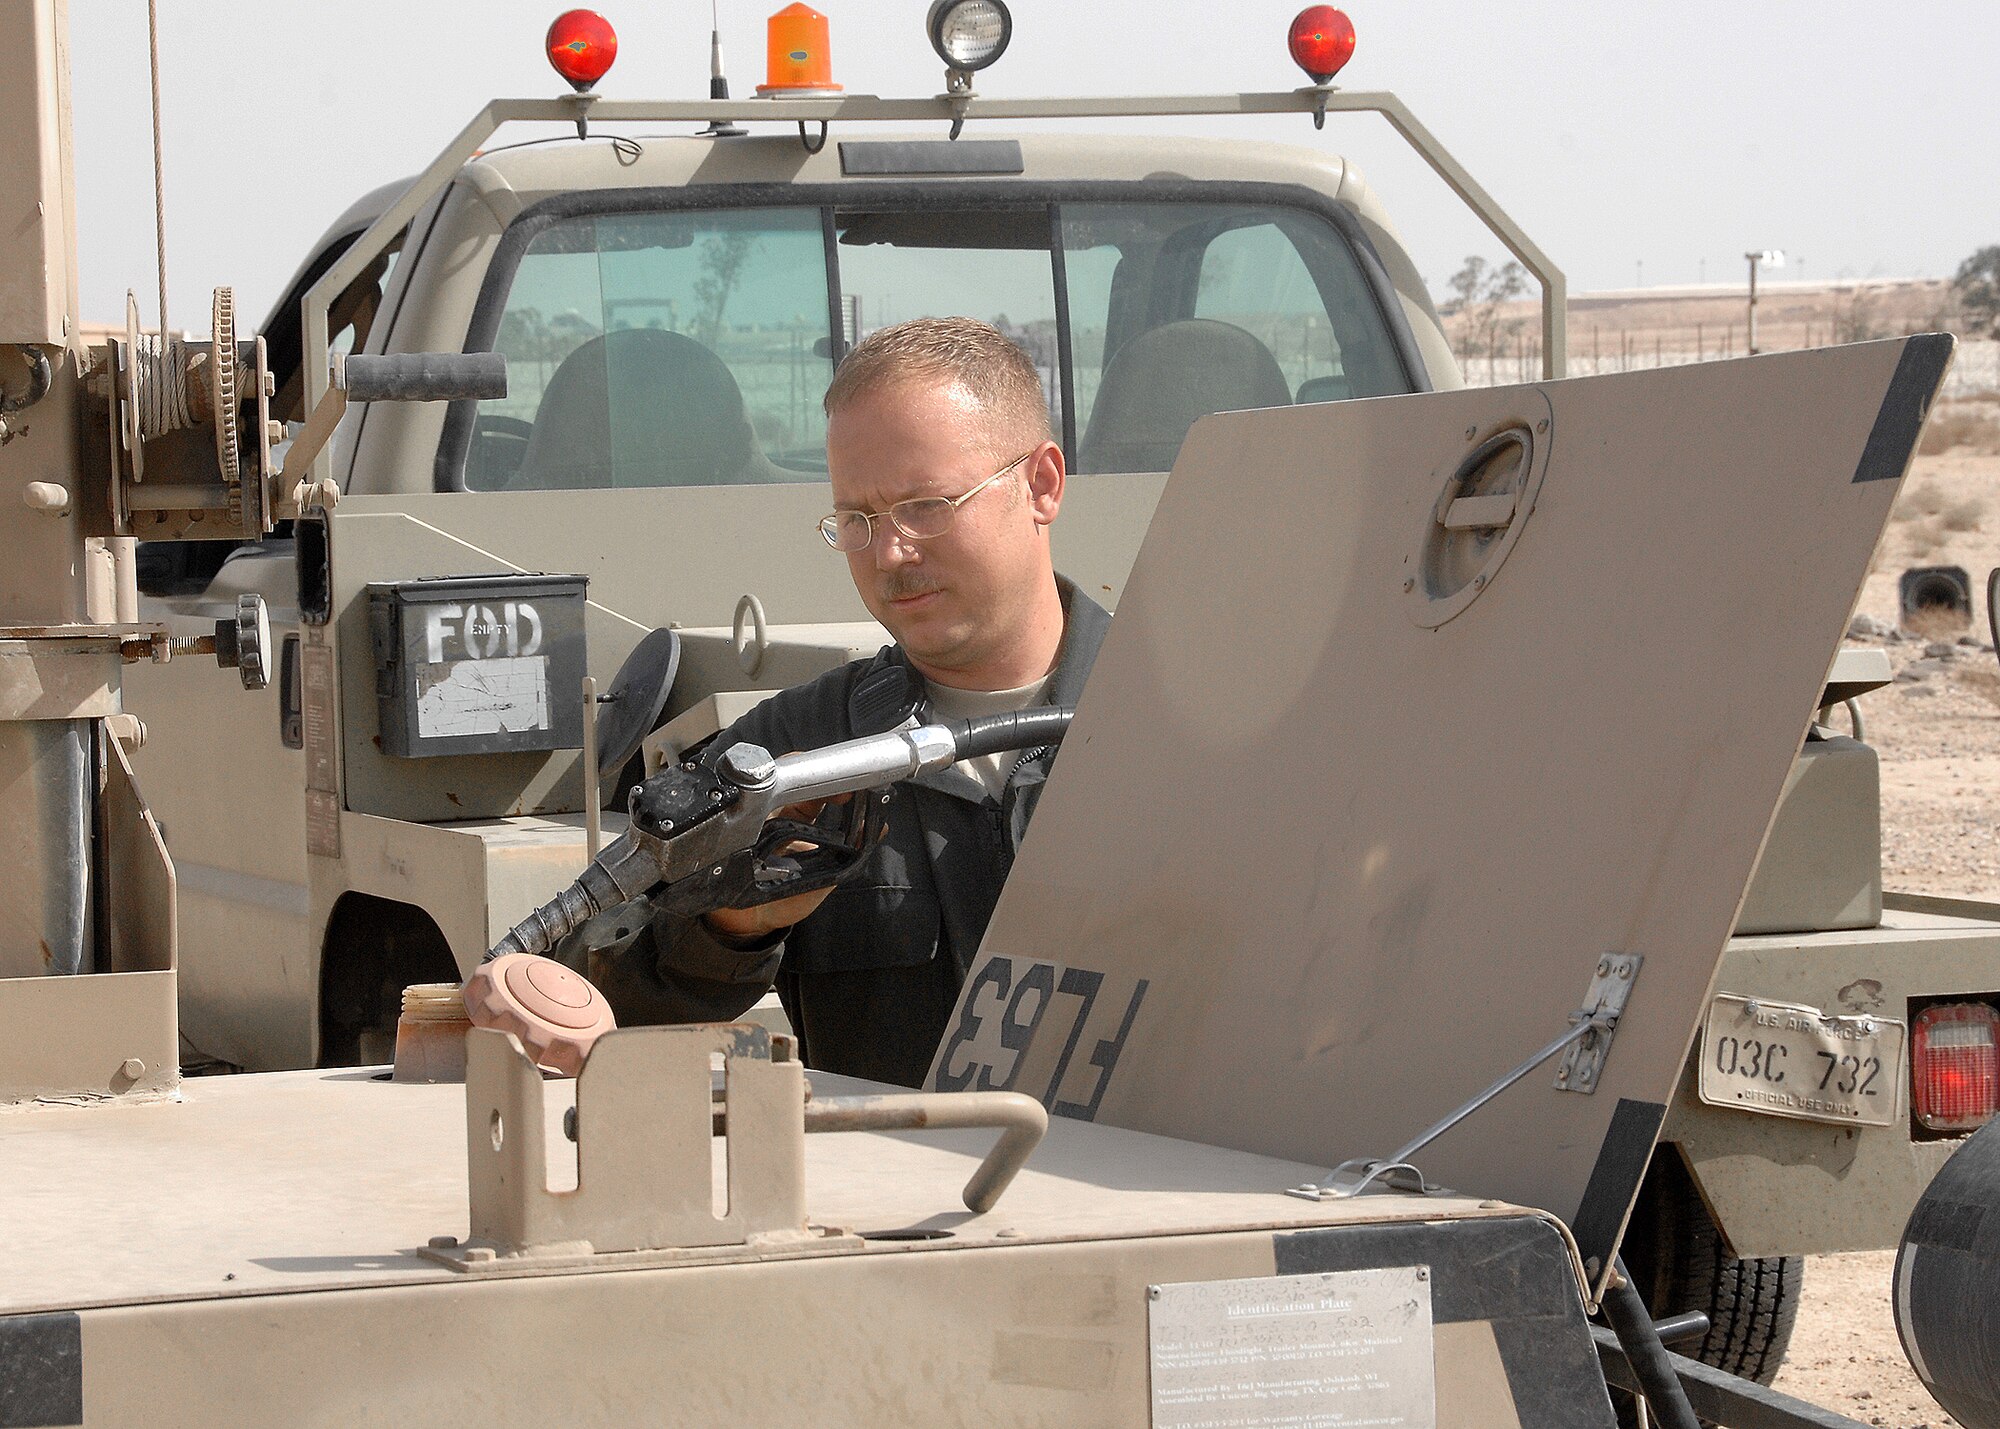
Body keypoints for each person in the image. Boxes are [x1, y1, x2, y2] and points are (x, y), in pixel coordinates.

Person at [585, 317, 1108, 1088]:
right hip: (894, 1202)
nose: (890, 552)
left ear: (1041, 485)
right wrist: (726, 924)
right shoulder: (803, 749)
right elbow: (589, 979)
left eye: (926, 504)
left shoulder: (1192, 723)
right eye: (856, 519)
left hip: (1172, 1201)